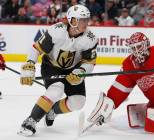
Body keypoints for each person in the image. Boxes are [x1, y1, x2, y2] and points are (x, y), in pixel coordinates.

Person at [18, 4, 98, 136]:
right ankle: (31, 120)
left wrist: (81, 71)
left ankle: (52, 111)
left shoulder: (90, 38)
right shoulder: (56, 30)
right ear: (72, 20)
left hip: (74, 70)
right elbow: (36, 49)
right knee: (56, 89)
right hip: (52, 67)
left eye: (86, 20)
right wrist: (29, 64)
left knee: (78, 102)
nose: (86, 23)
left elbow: (89, 62)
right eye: (82, 20)